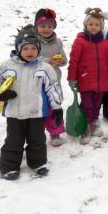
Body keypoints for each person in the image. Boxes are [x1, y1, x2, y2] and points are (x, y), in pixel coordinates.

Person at [0, 25, 63, 180]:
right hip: (14, 113)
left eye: (33, 48)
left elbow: (53, 88)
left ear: (38, 49)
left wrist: (57, 107)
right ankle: (9, 167)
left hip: (37, 112)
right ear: (18, 48)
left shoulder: (45, 68)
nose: (30, 52)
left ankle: (38, 163)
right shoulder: (8, 66)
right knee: (13, 141)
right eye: (26, 48)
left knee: (37, 139)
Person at [68, 8, 108, 145]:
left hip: (101, 81)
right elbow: (73, 61)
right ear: (86, 25)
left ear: (101, 27)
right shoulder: (80, 41)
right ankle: (85, 126)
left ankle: (94, 122)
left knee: (97, 104)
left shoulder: (104, 43)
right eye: (91, 24)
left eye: (97, 25)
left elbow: (107, 61)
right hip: (85, 79)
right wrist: (72, 78)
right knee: (87, 104)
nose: (93, 27)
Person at [33, 8, 68, 147]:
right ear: (37, 26)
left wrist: (61, 60)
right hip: (39, 82)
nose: (46, 29)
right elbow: (32, 59)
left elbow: (64, 60)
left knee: (55, 106)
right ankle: (37, 134)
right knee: (40, 108)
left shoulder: (58, 42)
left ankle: (55, 132)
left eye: (49, 26)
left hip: (54, 82)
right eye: (42, 26)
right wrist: (49, 61)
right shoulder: (34, 41)